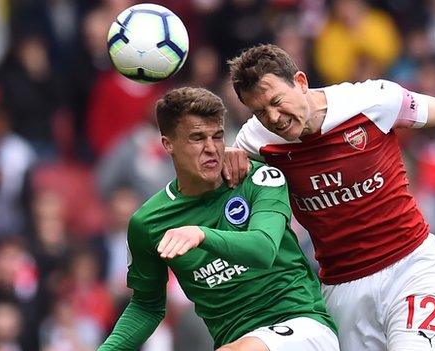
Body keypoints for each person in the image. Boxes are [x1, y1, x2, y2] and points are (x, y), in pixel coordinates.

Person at [224, 44, 435, 350]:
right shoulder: (255, 139)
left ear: (300, 81)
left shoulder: (369, 100)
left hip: (409, 267)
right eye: (261, 111)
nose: (274, 117)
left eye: (277, 101)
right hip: (342, 288)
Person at [98, 87, 339, 351]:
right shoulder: (148, 222)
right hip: (234, 341)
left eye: (218, 136)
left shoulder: (257, 179)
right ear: (168, 144)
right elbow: (147, 306)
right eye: (197, 138)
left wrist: (201, 235)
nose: (211, 148)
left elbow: (263, 249)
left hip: (302, 326)